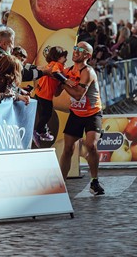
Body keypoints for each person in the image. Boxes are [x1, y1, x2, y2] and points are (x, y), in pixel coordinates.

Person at [58, 42, 105, 195]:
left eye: (81, 50)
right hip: (76, 113)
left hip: (92, 113)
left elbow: (78, 95)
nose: (76, 52)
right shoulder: (68, 71)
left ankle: (94, 181)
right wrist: (57, 78)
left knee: (91, 145)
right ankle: (61, 184)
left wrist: (62, 81)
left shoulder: (88, 72)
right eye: (75, 48)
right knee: (68, 149)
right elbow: (57, 92)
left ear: (87, 56)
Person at [33, 46, 68, 146]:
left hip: (39, 93)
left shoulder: (51, 64)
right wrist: (66, 80)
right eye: (64, 57)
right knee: (47, 114)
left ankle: (42, 131)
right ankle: (38, 131)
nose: (66, 59)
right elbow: (55, 72)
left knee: (43, 115)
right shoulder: (57, 65)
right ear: (58, 57)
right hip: (45, 96)